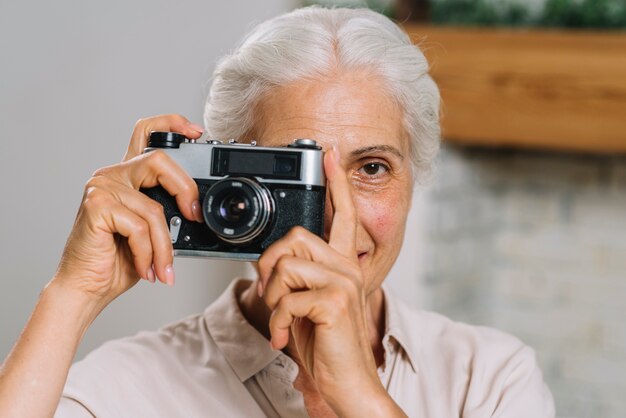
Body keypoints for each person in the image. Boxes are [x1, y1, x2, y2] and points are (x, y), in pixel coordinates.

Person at [0, 6, 555, 418]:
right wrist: (72, 294)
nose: (339, 217)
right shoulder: (125, 387)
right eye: (300, 173)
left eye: (373, 168)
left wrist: (357, 393)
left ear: (416, 179)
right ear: (228, 186)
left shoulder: (489, 378)